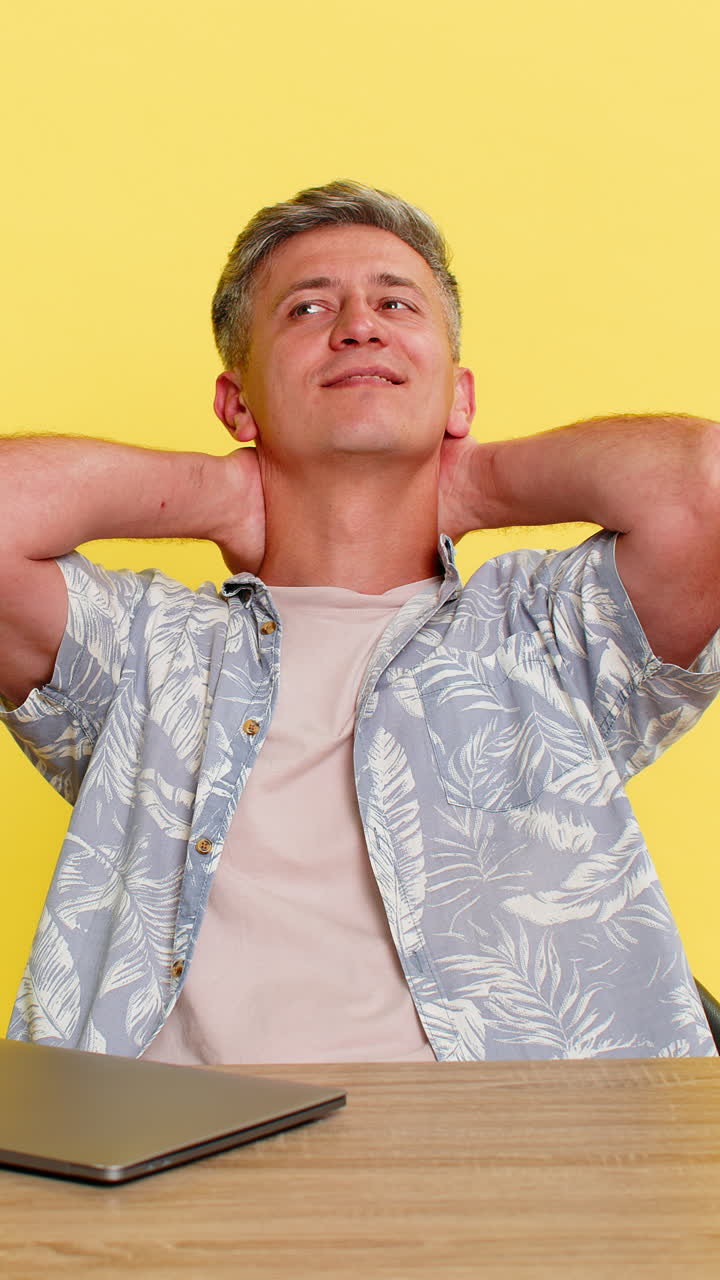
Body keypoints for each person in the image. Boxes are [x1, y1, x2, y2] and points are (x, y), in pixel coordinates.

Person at [1, 180, 720, 1064]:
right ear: (238, 404)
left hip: (518, 1166)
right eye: (308, 308)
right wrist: (223, 493)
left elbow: (707, 489)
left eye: (394, 302)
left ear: (459, 397)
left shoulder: (548, 633)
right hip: (162, 1165)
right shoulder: (145, 647)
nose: (357, 326)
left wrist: (474, 484)